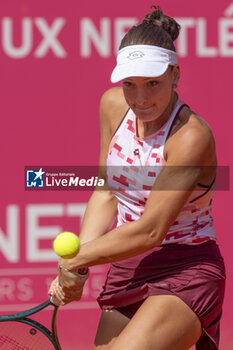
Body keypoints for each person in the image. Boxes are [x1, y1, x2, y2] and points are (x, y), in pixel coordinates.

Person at [48, 6, 226, 350]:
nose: (141, 99)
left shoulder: (190, 136)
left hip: (187, 267)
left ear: (175, 74)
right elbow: (106, 192)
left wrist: (76, 259)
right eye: (129, 84)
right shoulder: (113, 106)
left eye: (153, 83)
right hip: (130, 265)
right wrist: (78, 266)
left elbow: (151, 230)